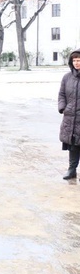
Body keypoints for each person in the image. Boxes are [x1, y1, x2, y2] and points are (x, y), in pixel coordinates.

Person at [58, 49, 80, 179]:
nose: (77, 63)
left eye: (79, 60)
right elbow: (61, 94)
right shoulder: (67, 77)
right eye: (75, 60)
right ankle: (72, 170)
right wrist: (63, 107)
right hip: (70, 117)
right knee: (73, 146)